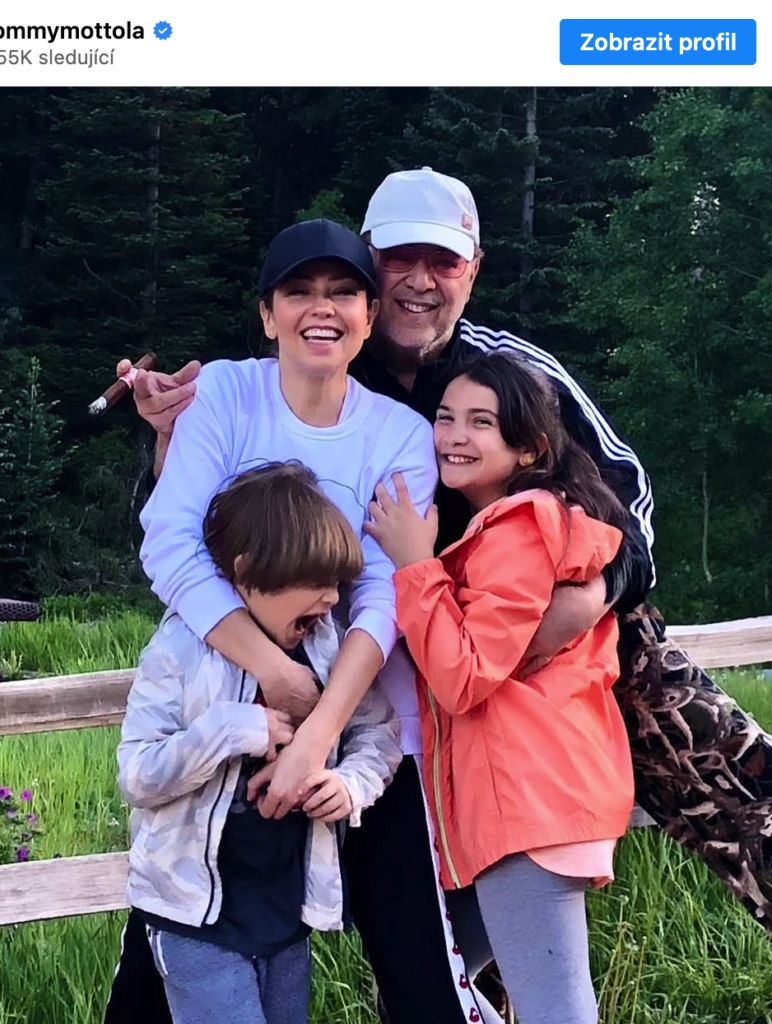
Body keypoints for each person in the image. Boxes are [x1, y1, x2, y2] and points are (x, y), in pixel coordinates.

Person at [114, 167, 772, 1021]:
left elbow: (627, 497)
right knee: (383, 924)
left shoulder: (507, 371)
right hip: (424, 675)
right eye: (399, 260)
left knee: (736, 792)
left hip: (547, 649)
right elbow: (194, 524)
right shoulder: (314, 360)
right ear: (370, 268)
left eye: (444, 262)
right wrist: (168, 439)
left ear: (473, 270)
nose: (421, 281)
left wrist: (593, 595)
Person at [365, 351, 636, 1024]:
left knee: (552, 1012)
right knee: (420, 982)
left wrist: (414, 565)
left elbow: (463, 678)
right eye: (445, 417)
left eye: (480, 422)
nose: (454, 436)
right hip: (523, 801)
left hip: (528, 804)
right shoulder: (509, 528)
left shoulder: (519, 529)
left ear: (529, 447)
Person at [118, 461, 402, 1024]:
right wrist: (233, 729)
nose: (332, 598)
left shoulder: (328, 646)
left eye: (338, 583)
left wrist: (349, 785)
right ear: (246, 571)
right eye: (315, 582)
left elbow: (377, 733)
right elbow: (138, 775)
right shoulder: (181, 649)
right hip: (194, 920)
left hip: (285, 915)